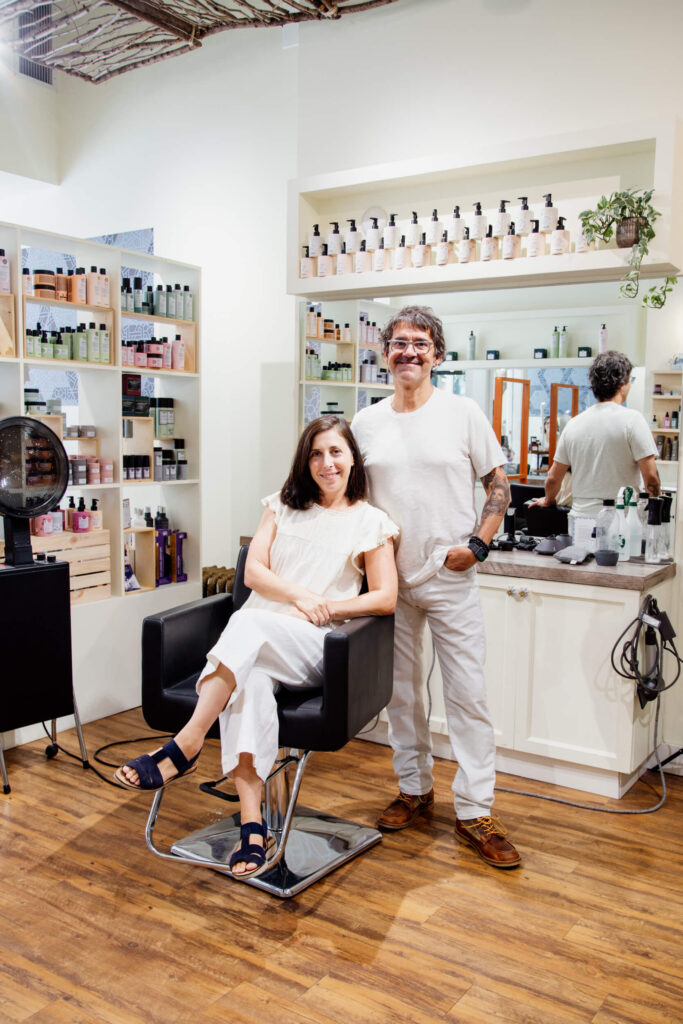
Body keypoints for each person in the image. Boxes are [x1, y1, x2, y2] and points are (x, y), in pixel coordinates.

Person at [115, 415, 398, 877]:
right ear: (305, 462)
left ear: (352, 459)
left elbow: (385, 597)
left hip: (315, 644)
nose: (326, 463)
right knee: (250, 685)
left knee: (248, 625)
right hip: (261, 638)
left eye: (335, 452)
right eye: (316, 454)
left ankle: (184, 746)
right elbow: (253, 573)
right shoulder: (282, 506)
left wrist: (321, 605)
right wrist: (297, 595)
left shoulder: (371, 522)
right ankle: (252, 826)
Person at [352, 305, 521, 870]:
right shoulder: (365, 423)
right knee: (401, 692)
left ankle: (475, 811)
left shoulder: (463, 413)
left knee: (467, 694)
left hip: (451, 575)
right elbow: (350, 502)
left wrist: (477, 543)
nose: (409, 352)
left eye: (420, 344)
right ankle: (414, 789)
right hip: (388, 581)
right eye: (399, 343)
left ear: (437, 355)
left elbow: (499, 486)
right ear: (385, 354)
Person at [532, 351, 659, 518]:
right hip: (621, 519)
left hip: (581, 519)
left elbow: (553, 478)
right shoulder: (633, 421)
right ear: (623, 384)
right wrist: (655, 509)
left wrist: (549, 500)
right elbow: (650, 477)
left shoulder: (573, 425)